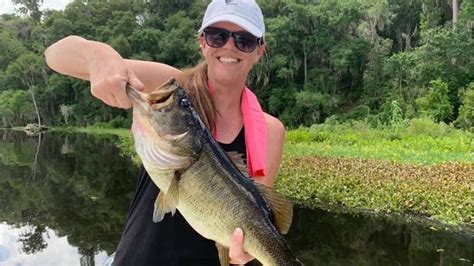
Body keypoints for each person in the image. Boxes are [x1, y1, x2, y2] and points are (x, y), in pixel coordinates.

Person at [44, 0, 285, 265]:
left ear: (259, 51)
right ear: (202, 42)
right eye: (218, 36)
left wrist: (243, 254)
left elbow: (259, 211)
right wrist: (97, 54)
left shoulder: (270, 130)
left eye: (244, 40)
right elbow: (55, 56)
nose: (229, 46)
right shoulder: (171, 90)